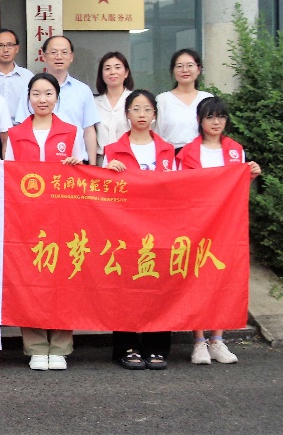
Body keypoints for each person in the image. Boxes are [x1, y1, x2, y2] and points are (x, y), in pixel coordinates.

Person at [5, 73, 84, 371]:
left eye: (48, 93)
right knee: (31, 278)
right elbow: (9, 173)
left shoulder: (71, 132)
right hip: (26, 218)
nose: (42, 99)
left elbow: (82, 174)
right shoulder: (16, 134)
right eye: (36, 94)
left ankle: (61, 346)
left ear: (57, 98)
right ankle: (36, 346)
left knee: (63, 279)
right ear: (28, 98)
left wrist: (76, 166)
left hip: (64, 216)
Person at [177, 96, 261, 366]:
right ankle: (199, 341)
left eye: (221, 117)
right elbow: (181, 189)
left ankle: (217, 340)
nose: (216, 122)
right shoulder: (188, 153)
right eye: (210, 117)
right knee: (197, 280)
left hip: (226, 225)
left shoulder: (235, 150)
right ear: (199, 120)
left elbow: (238, 188)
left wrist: (250, 173)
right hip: (197, 224)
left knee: (222, 279)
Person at [102, 89, 176, 371]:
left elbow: (182, 189)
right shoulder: (112, 151)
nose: (142, 114)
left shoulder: (168, 150)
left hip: (160, 227)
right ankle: (126, 346)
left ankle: (157, 346)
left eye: (147, 109)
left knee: (159, 285)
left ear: (154, 114)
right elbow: (100, 191)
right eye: (136, 109)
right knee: (124, 287)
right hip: (124, 228)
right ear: (127, 114)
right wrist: (108, 173)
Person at [14, 36, 98, 163]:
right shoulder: (30, 90)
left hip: (76, 162)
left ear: (71, 57)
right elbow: (22, 126)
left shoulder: (83, 90)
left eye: (64, 52)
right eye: (53, 52)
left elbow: (89, 130)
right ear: (44, 56)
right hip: (37, 162)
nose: (59, 57)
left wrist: (92, 166)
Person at [155, 49, 214, 152]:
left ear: (198, 69)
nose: (185, 70)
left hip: (202, 156)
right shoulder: (162, 100)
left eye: (190, 65)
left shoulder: (207, 99)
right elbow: (157, 134)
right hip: (171, 156)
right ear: (173, 70)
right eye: (179, 66)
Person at [0, 29, 33, 124]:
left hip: (21, 128)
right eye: (0, 46)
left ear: (16, 48)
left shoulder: (28, 77)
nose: (5, 50)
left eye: (10, 45)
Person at [93, 52, 134, 165]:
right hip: (102, 162)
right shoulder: (94, 103)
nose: (112, 72)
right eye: (107, 68)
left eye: (117, 67)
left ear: (126, 73)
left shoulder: (136, 100)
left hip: (130, 160)